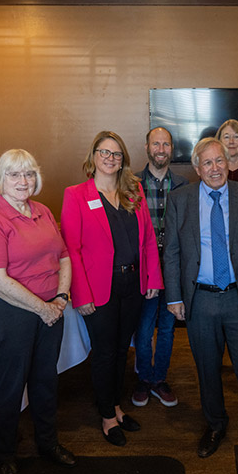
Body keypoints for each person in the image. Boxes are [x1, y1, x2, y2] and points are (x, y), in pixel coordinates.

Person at [164, 137, 238, 466]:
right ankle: (215, 425)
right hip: (200, 299)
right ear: (198, 168)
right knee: (207, 368)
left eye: (220, 161)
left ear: (228, 163)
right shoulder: (180, 199)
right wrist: (173, 296)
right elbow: (171, 252)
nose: (215, 168)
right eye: (208, 163)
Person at [0, 149, 76, 474]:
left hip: (50, 309)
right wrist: (42, 308)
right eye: (15, 175)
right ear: (1, 178)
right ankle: (3, 458)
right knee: (9, 388)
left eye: (29, 174)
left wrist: (60, 298)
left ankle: (48, 443)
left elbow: (63, 256)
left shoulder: (42, 210)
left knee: (46, 381)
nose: (23, 181)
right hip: (10, 313)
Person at [61, 131, 163, 447]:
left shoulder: (134, 193)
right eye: (104, 152)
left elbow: (147, 240)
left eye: (116, 154)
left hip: (132, 283)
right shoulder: (76, 194)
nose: (110, 158)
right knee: (105, 352)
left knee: (122, 349)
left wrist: (154, 280)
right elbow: (71, 249)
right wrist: (81, 295)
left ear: (123, 161)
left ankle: (117, 406)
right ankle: (106, 415)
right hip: (97, 288)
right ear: (93, 157)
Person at [132, 127, 189, 408]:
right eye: (156, 144)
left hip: (173, 267)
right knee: (143, 329)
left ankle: (159, 379)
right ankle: (143, 378)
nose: (161, 149)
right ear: (147, 147)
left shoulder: (183, 184)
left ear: (171, 149)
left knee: (167, 328)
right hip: (143, 267)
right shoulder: (130, 185)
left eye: (166, 144)